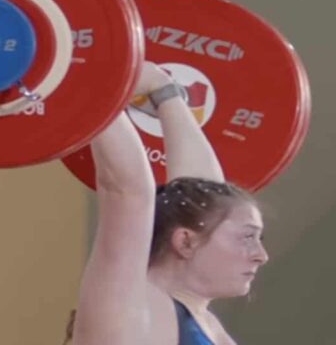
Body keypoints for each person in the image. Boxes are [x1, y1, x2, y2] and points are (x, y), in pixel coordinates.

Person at [65, 62, 269, 345]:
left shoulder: (208, 326)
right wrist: (92, 84)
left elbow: (204, 197)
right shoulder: (129, 311)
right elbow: (127, 193)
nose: (261, 255)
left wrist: (165, 93)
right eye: (248, 237)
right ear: (185, 241)